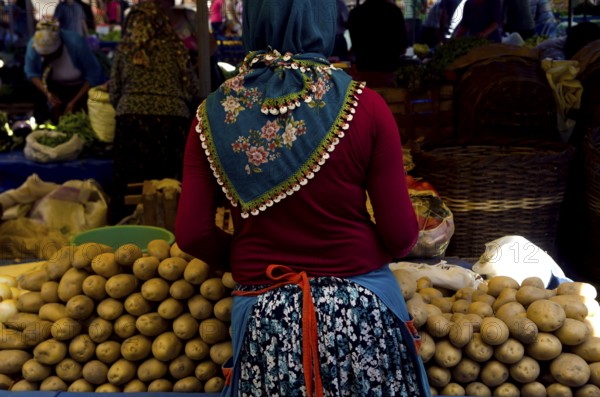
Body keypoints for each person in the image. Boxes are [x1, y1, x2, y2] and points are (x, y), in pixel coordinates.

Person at [175, 0, 430, 395]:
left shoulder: (211, 114)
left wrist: (249, 253)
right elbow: (401, 235)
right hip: (363, 313)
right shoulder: (367, 106)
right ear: (325, 18)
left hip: (264, 316)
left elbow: (191, 233)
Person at [108, 1, 201, 223]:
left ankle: (127, 234)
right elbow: (193, 90)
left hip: (132, 123)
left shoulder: (125, 49)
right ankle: (171, 234)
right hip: (172, 123)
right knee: (168, 187)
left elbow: (114, 93)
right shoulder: (176, 47)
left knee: (130, 187)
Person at [24, 19, 106, 123]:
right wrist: (48, 93)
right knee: (51, 118)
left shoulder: (76, 43)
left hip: (81, 88)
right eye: (44, 56)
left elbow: (94, 74)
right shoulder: (34, 45)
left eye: (51, 55)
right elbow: (31, 72)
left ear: (59, 46)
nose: (49, 60)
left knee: (80, 119)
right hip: (55, 87)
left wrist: (74, 102)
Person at [348, 0, 408, 85]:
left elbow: (354, 44)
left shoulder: (355, 13)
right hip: (390, 73)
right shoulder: (394, 12)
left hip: (364, 73)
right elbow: (403, 46)